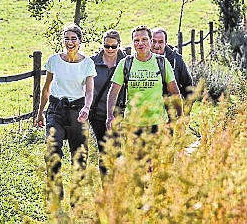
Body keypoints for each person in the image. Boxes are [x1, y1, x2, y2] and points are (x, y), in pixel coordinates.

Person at [35, 23, 96, 200]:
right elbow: (46, 88)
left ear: (80, 41)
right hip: (56, 110)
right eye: (67, 39)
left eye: (73, 39)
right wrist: (40, 113)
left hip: (78, 111)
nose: (70, 42)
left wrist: (86, 107)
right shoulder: (54, 60)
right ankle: (56, 189)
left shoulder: (87, 64)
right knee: (52, 149)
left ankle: (76, 195)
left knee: (79, 154)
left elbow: (90, 91)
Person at [106, 25, 183, 133]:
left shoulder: (162, 62)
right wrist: (110, 116)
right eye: (136, 40)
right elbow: (113, 92)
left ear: (151, 41)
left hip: (159, 124)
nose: (140, 43)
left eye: (144, 39)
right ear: (133, 43)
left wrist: (180, 116)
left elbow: (175, 92)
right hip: (132, 125)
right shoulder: (125, 63)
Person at [90, 30, 126, 177]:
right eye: (107, 46)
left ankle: (117, 186)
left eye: (113, 46)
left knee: (117, 149)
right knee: (103, 150)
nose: (110, 49)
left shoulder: (126, 62)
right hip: (98, 113)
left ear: (119, 45)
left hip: (119, 113)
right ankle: (106, 187)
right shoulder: (93, 62)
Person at [151, 27, 193, 99]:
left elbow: (187, 85)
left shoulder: (176, 60)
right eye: (153, 41)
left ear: (166, 43)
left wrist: (186, 106)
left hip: (171, 107)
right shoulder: (141, 59)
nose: (157, 45)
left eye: (160, 42)